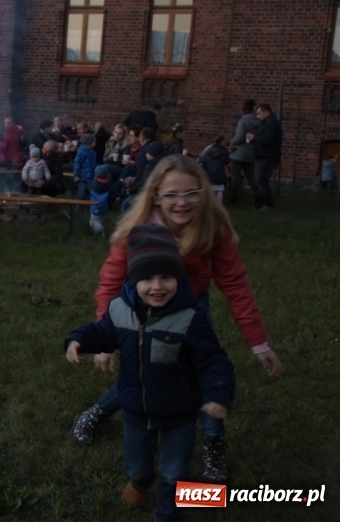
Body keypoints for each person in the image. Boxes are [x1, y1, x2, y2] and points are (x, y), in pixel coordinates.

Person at [71, 154, 283, 484]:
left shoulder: (212, 226)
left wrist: (259, 342)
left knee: (202, 370)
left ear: (203, 193)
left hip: (190, 305)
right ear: (156, 195)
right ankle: (101, 410)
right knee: (144, 371)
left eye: (191, 193)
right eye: (171, 194)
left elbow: (235, 284)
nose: (182, 202)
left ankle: (213, 443)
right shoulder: (137, 228)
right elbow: (111, 281)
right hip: (141, 308)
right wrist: (105, 337)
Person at [65, 223, 235, 521]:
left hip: (179, 413)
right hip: (135, 411)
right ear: (133, 279)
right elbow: (103, 333)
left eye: (166, 277)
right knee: (137, 466)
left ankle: (167, 512)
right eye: (147, 278)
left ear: (178, 277)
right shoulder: (119, 309)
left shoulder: (190, 317)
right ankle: (141, 482)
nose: (157, 286)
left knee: (174, 471)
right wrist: (79, 340)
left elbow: (213, 360)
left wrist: (218, 393)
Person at [246, 103, 282, 210]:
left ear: (266, 112)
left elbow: (268, 139)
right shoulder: (267, 123)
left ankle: (267, 204)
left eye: (259, 113)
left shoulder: (272, 123)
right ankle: (260, 204)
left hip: (268, 156)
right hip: (265, 155)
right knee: (261, 180)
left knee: (261, 180)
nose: (257, 116)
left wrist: (254, 138)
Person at [227, 99, 261, 204]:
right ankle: (259, 195)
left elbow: (239, 137)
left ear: (243, 110)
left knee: (235, 176)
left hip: (238, 152)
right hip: (251, 152)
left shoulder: (243, 121)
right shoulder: (258, 122)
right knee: (251, 176)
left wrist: (231, 142)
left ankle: (234, 197)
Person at [199, 136, 230, 202]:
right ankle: (219, 205)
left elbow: (203, 162)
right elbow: (227, 161)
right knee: (219, 190)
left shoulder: (208, 151)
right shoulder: (224, 151)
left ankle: (208, 204)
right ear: (222, 142)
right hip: (220, 174)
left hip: (209, 174)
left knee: (209, 191)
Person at [88, 165, 111, 236]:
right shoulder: (108, 184)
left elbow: (87, 189)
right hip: (104, 206)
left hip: (95, 206)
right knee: (100, 219)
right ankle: (99, 234)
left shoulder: (92, 184)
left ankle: (101, 229)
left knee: (93, 221)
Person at [72, 132, 97, 200]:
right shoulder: (82, 152)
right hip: (82, 177)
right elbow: (77, 163)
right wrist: (77, 175)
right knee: (82, 191)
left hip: (91, 175)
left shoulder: (92, 152)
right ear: (89, 142)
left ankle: (87, 200)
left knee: (89, 190)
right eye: (94, 141)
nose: (95, 143)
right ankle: (79, 201)